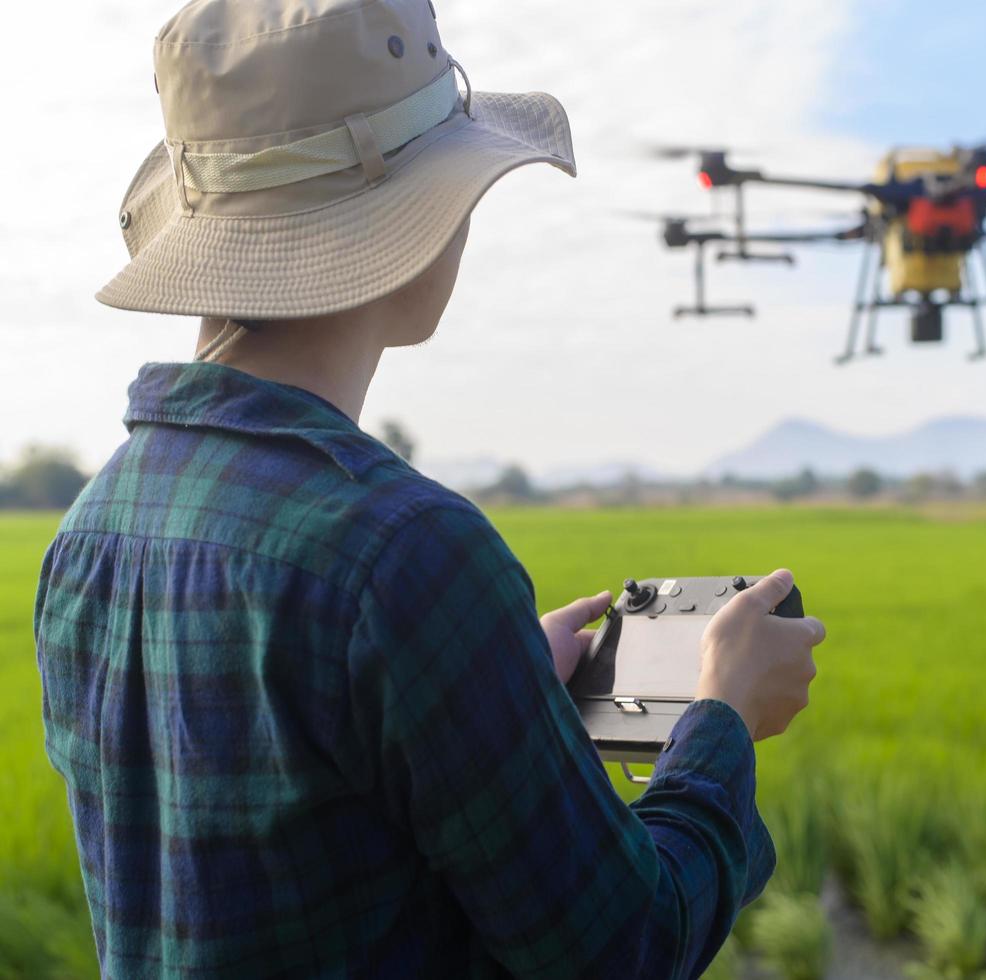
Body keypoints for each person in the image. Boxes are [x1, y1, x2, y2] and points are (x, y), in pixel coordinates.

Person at [32, 1, 826, 977]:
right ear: (414, 213)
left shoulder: (91, 529)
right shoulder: (404, 554)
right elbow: (627, 944)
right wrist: (723, 719)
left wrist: (489, 681)